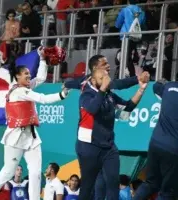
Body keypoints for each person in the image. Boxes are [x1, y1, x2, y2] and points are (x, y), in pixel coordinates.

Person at [0, 50, 69, 200]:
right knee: (8, 172)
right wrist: (61, 95)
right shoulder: (19, 91)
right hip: (15, 137)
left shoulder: (26, 88)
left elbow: (40, 78)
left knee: (35, 173)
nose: (29, 76)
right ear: (17, 77)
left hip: (31, 137)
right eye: (26, 74)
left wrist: (42, 59)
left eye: (29, 74)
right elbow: (41, 98)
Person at [64, 54, 149, 200]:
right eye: (104, 65)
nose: (108, 69)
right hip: (88, 146)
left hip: (108, 147)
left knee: (112, 183)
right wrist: (67, 85)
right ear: (95, 72)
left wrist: (141, 88)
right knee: (88, 187)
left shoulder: (108, 93)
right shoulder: (86, 93)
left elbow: (127, 107)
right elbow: (93, 109)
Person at [133, 79, 178, 199]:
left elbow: (156, 87)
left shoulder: (168, 88)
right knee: (167, 191)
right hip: (173, 149)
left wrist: (164, 82)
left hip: (155, 143)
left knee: (150, 183)